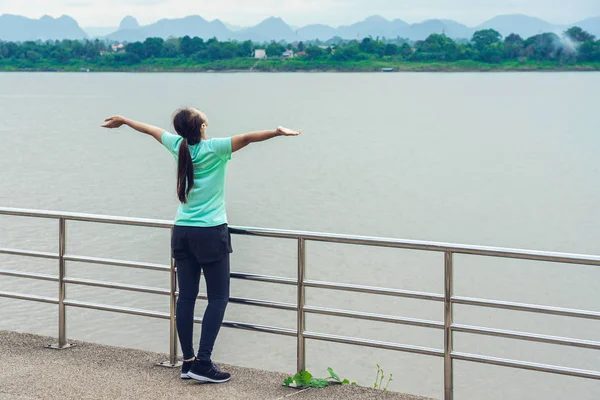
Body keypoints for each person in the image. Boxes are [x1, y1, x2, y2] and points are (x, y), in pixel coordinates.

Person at [101, 109, 301, 383]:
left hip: (182, 231)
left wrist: (124, 120)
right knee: (218, 297)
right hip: (209, 233)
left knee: (186, 297)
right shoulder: (216, 148)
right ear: (203, 125)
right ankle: (203, 363)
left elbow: (149, 129)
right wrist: (277, 132)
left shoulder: (178, 145)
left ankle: (188, 362)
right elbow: (249, 138)